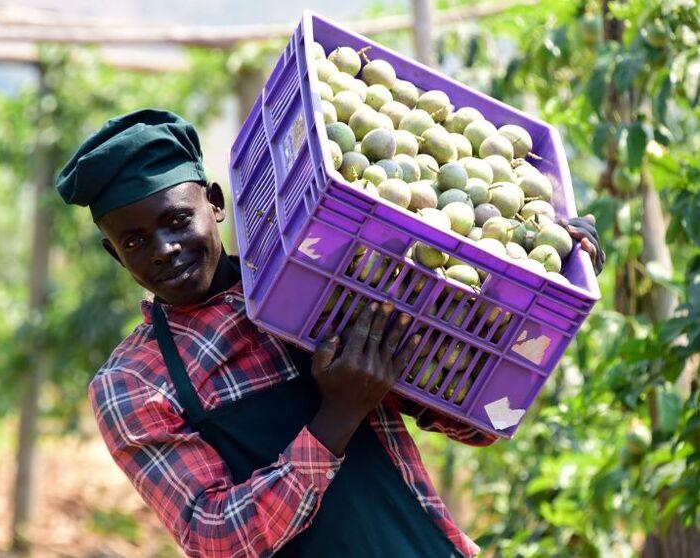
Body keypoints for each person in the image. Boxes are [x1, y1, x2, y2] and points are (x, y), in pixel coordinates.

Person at [56, 109, 604, 557]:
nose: (164, 249)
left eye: (177, 220)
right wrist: (335, 419)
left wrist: (543, 281)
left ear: (215, 204)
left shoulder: (320, 279)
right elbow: (214, 536)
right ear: (113, 252)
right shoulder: (133, 382)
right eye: (134, 242)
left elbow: (473, 419)